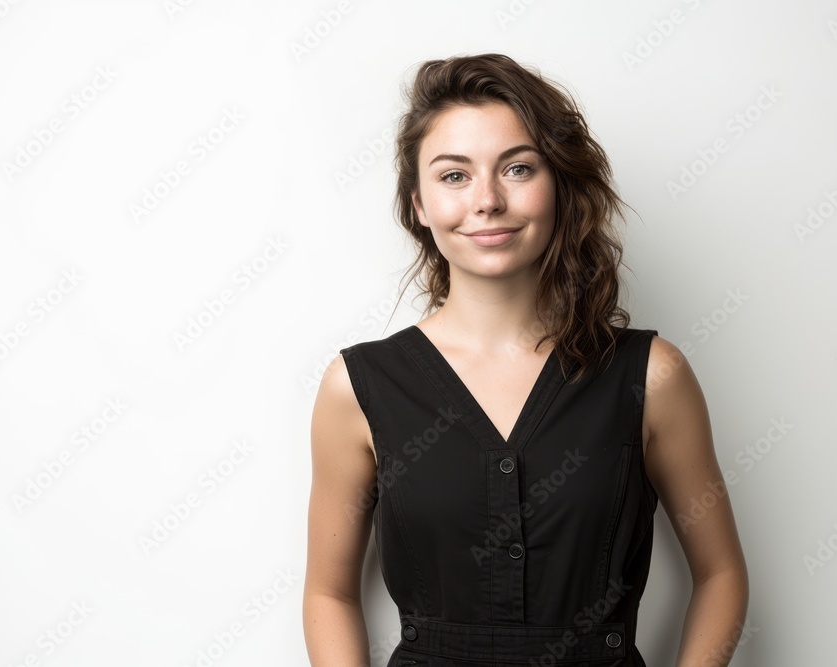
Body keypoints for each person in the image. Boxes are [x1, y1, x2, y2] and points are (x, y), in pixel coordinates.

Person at [304, 53, 748, 667]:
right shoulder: (358, 388)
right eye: (454, 176)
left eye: (517, 168)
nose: (487, 200)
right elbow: (329, 592)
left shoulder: (652, 375)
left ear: (559, 186)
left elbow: (722, 574)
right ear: (417, 204)